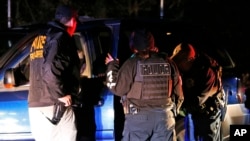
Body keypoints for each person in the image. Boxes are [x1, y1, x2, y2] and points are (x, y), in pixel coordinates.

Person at [105, 29, 184, 141]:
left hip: (139, 121)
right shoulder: (169, 62)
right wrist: (170, 112)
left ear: (133, 46)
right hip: (165, 118)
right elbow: (179, 94)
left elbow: (118, 89)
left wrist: (112, 66)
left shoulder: (132, 63)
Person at [28, 5, 80, 141]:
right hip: (55, 105)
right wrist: (61, 94)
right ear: (73, 20)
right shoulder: (60, 38)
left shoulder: (40, 37)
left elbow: (35, 69)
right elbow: (50, 69)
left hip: (36, 103)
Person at [170, 43, 226, 141]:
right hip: (193, 112)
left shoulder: (207, 73)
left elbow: (197, 101)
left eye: (179, 62)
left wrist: (175, 107)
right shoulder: (184, 71)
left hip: (208, 114)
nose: (177, 66)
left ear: (190, 60)